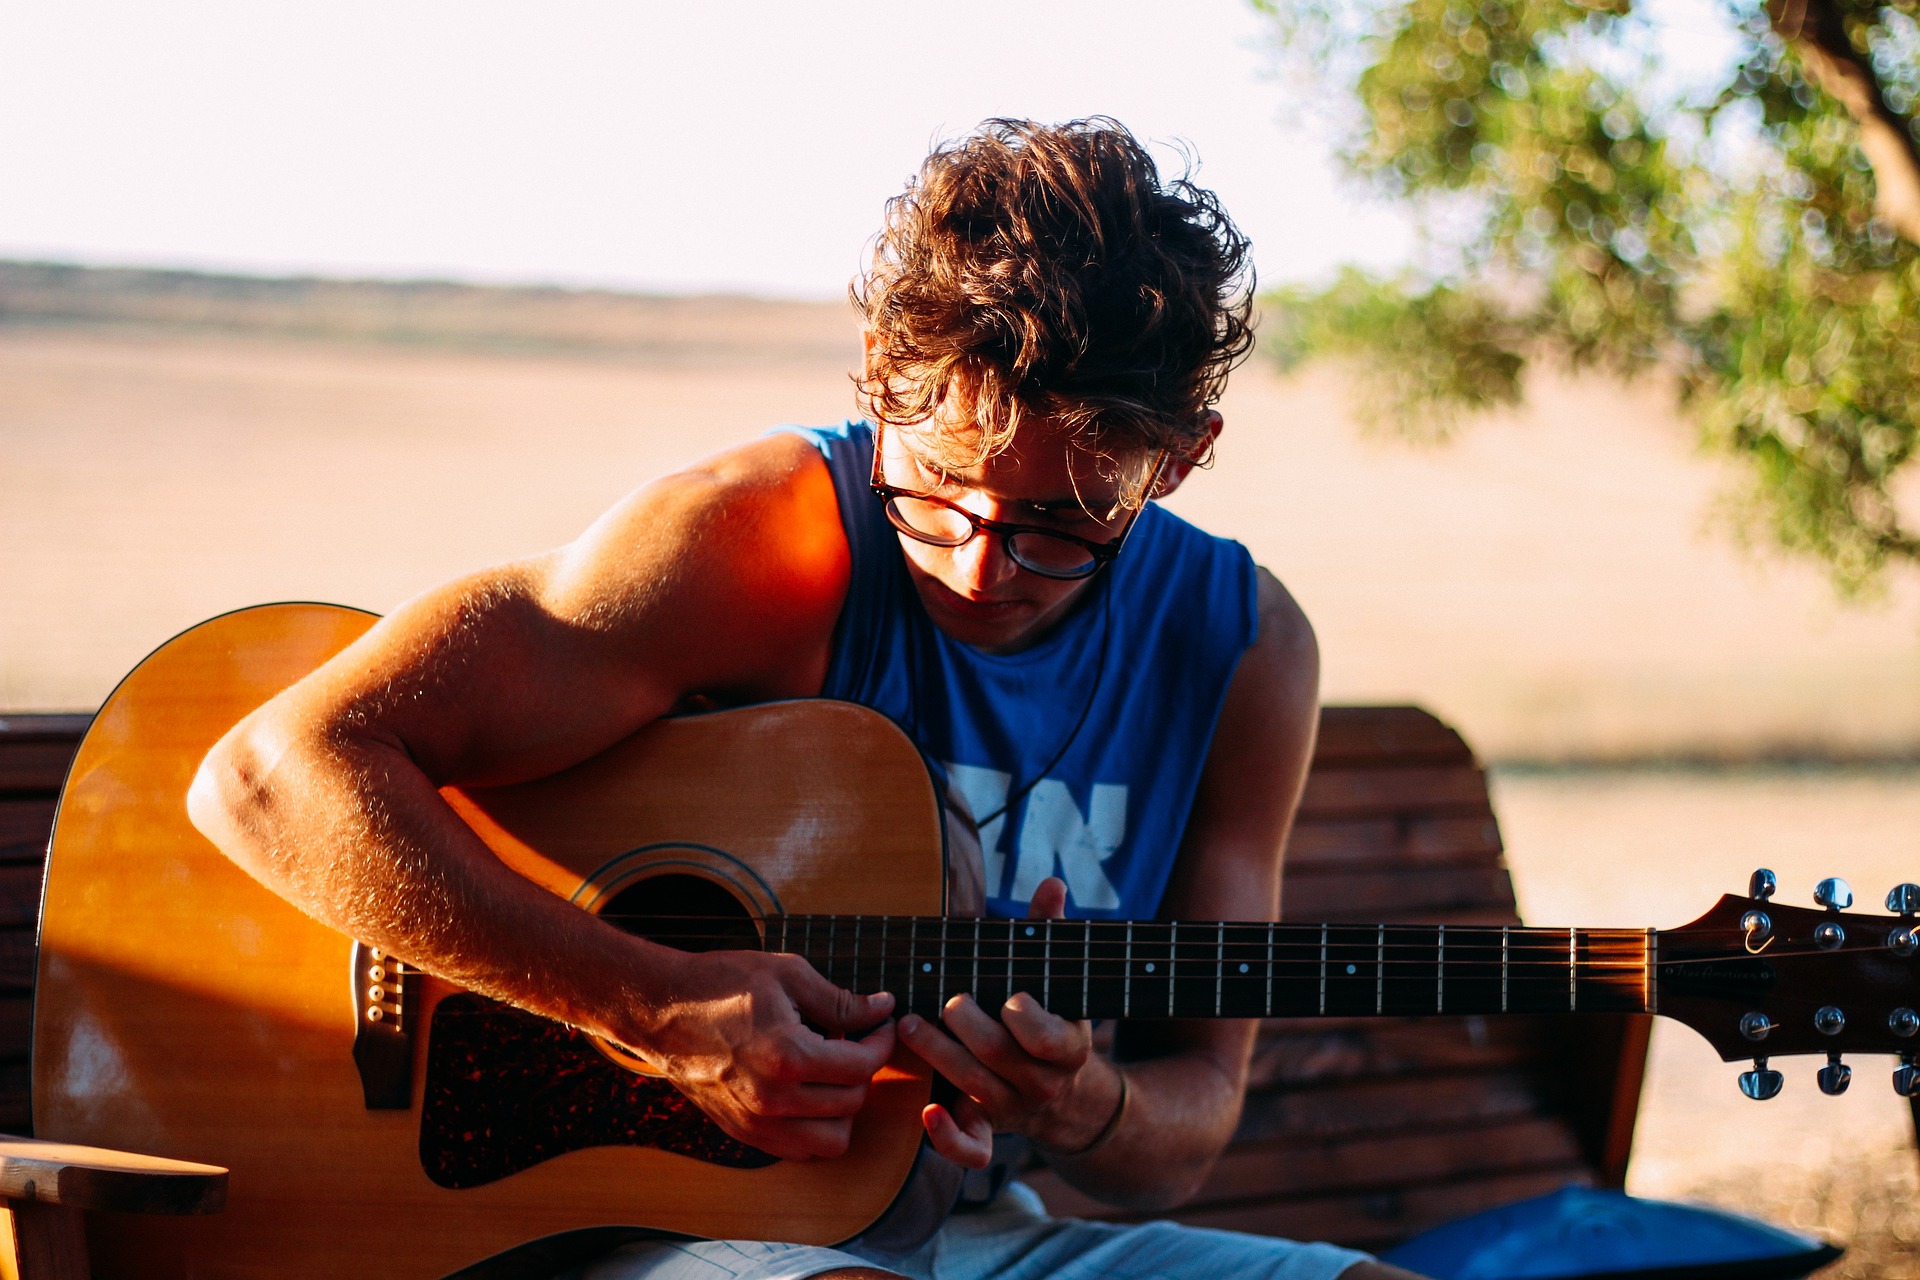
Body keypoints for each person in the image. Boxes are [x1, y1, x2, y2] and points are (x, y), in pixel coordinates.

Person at [188, 117, 1426, 1280]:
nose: (979, 563)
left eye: (1062, 518)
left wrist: (1077, 1099)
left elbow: (1190, 1120)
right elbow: (269, 775)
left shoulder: (1241, 653)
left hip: (973, 1225)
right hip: (649, 1235)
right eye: (938, 483)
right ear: (886, 370)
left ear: (1183, 454)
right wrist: (658, 1007)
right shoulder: (753, 540)